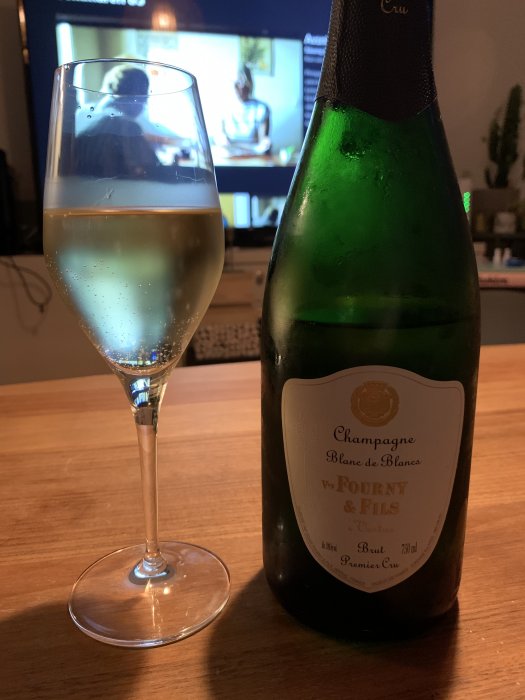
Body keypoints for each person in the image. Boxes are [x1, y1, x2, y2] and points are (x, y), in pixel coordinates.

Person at [73, 65, 161, 178]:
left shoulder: (81, 113)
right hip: (113, 187)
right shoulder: (128, 127)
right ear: (136, 94)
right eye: (145, 93)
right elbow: (153, 171)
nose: (147, 100)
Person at [221, 65, 271, 157]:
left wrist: (265, 142)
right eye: (237, 83)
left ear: (250, 84)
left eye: (244, 83)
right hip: (230, 156)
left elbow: (263, 139)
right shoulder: (225, 107)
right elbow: (221, 135)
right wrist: (222, 139)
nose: (241, 87)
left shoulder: (261, 108)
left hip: (254, 157)